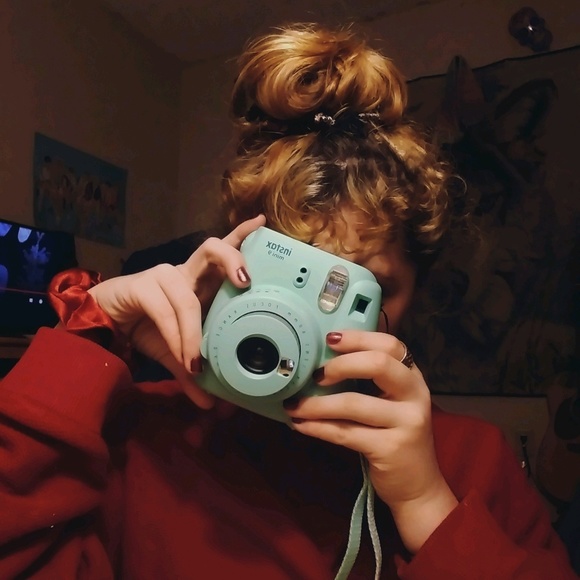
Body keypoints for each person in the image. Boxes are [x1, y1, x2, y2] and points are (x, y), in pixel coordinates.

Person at [0, 23, 575, 580]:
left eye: (350, 291)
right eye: (294, 274)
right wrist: (94, 331)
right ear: (231, 261)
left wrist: (427, 506)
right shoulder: (146, 433)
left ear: (415, 293)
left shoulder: (471, 461)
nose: (302, 323)